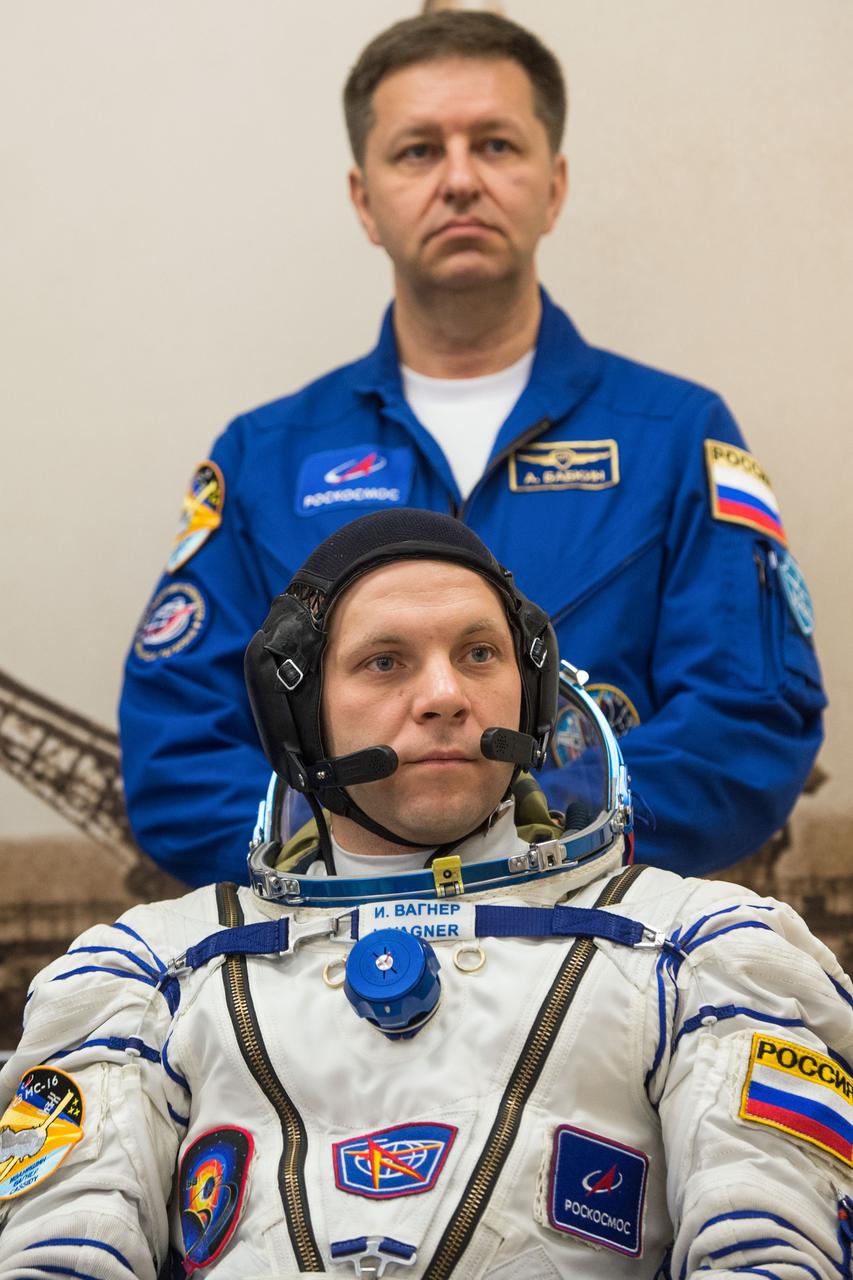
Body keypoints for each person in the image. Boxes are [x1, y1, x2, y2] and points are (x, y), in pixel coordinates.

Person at [4, 511, 850, 1279]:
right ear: (300, 720)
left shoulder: (698, 953)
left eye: (478, 654)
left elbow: (771, 1251)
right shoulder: (151, 976)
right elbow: (60, 1255)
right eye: (384, 662)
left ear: (533, 691)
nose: (445, 696)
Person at [118, 10, 825, 888]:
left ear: (553, 185)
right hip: (319, 968)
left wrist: (538, 845)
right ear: (364, 199)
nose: (458, 180)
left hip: (604, 955)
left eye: (495, 145)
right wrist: (352, 859)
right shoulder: (261, 457)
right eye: (417, 151)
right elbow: (175, 746)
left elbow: (749, 718)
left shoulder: (678, 436)